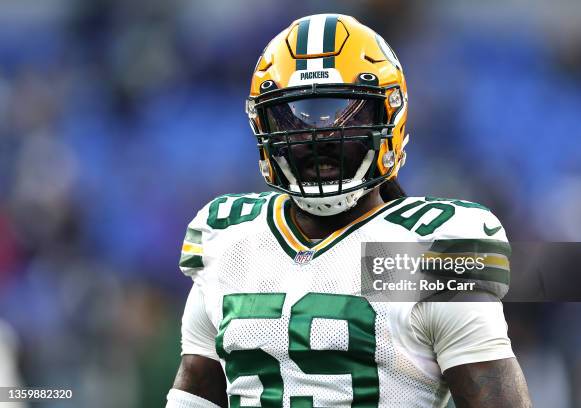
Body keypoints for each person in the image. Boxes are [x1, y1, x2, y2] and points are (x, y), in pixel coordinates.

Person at [165, 14, 531, 408]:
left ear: (388, 119)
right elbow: (195, 394)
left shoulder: (423, 253)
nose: (321, 137)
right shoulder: (231, 239)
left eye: (345, 114)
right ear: (263, 125)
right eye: (295, 117)